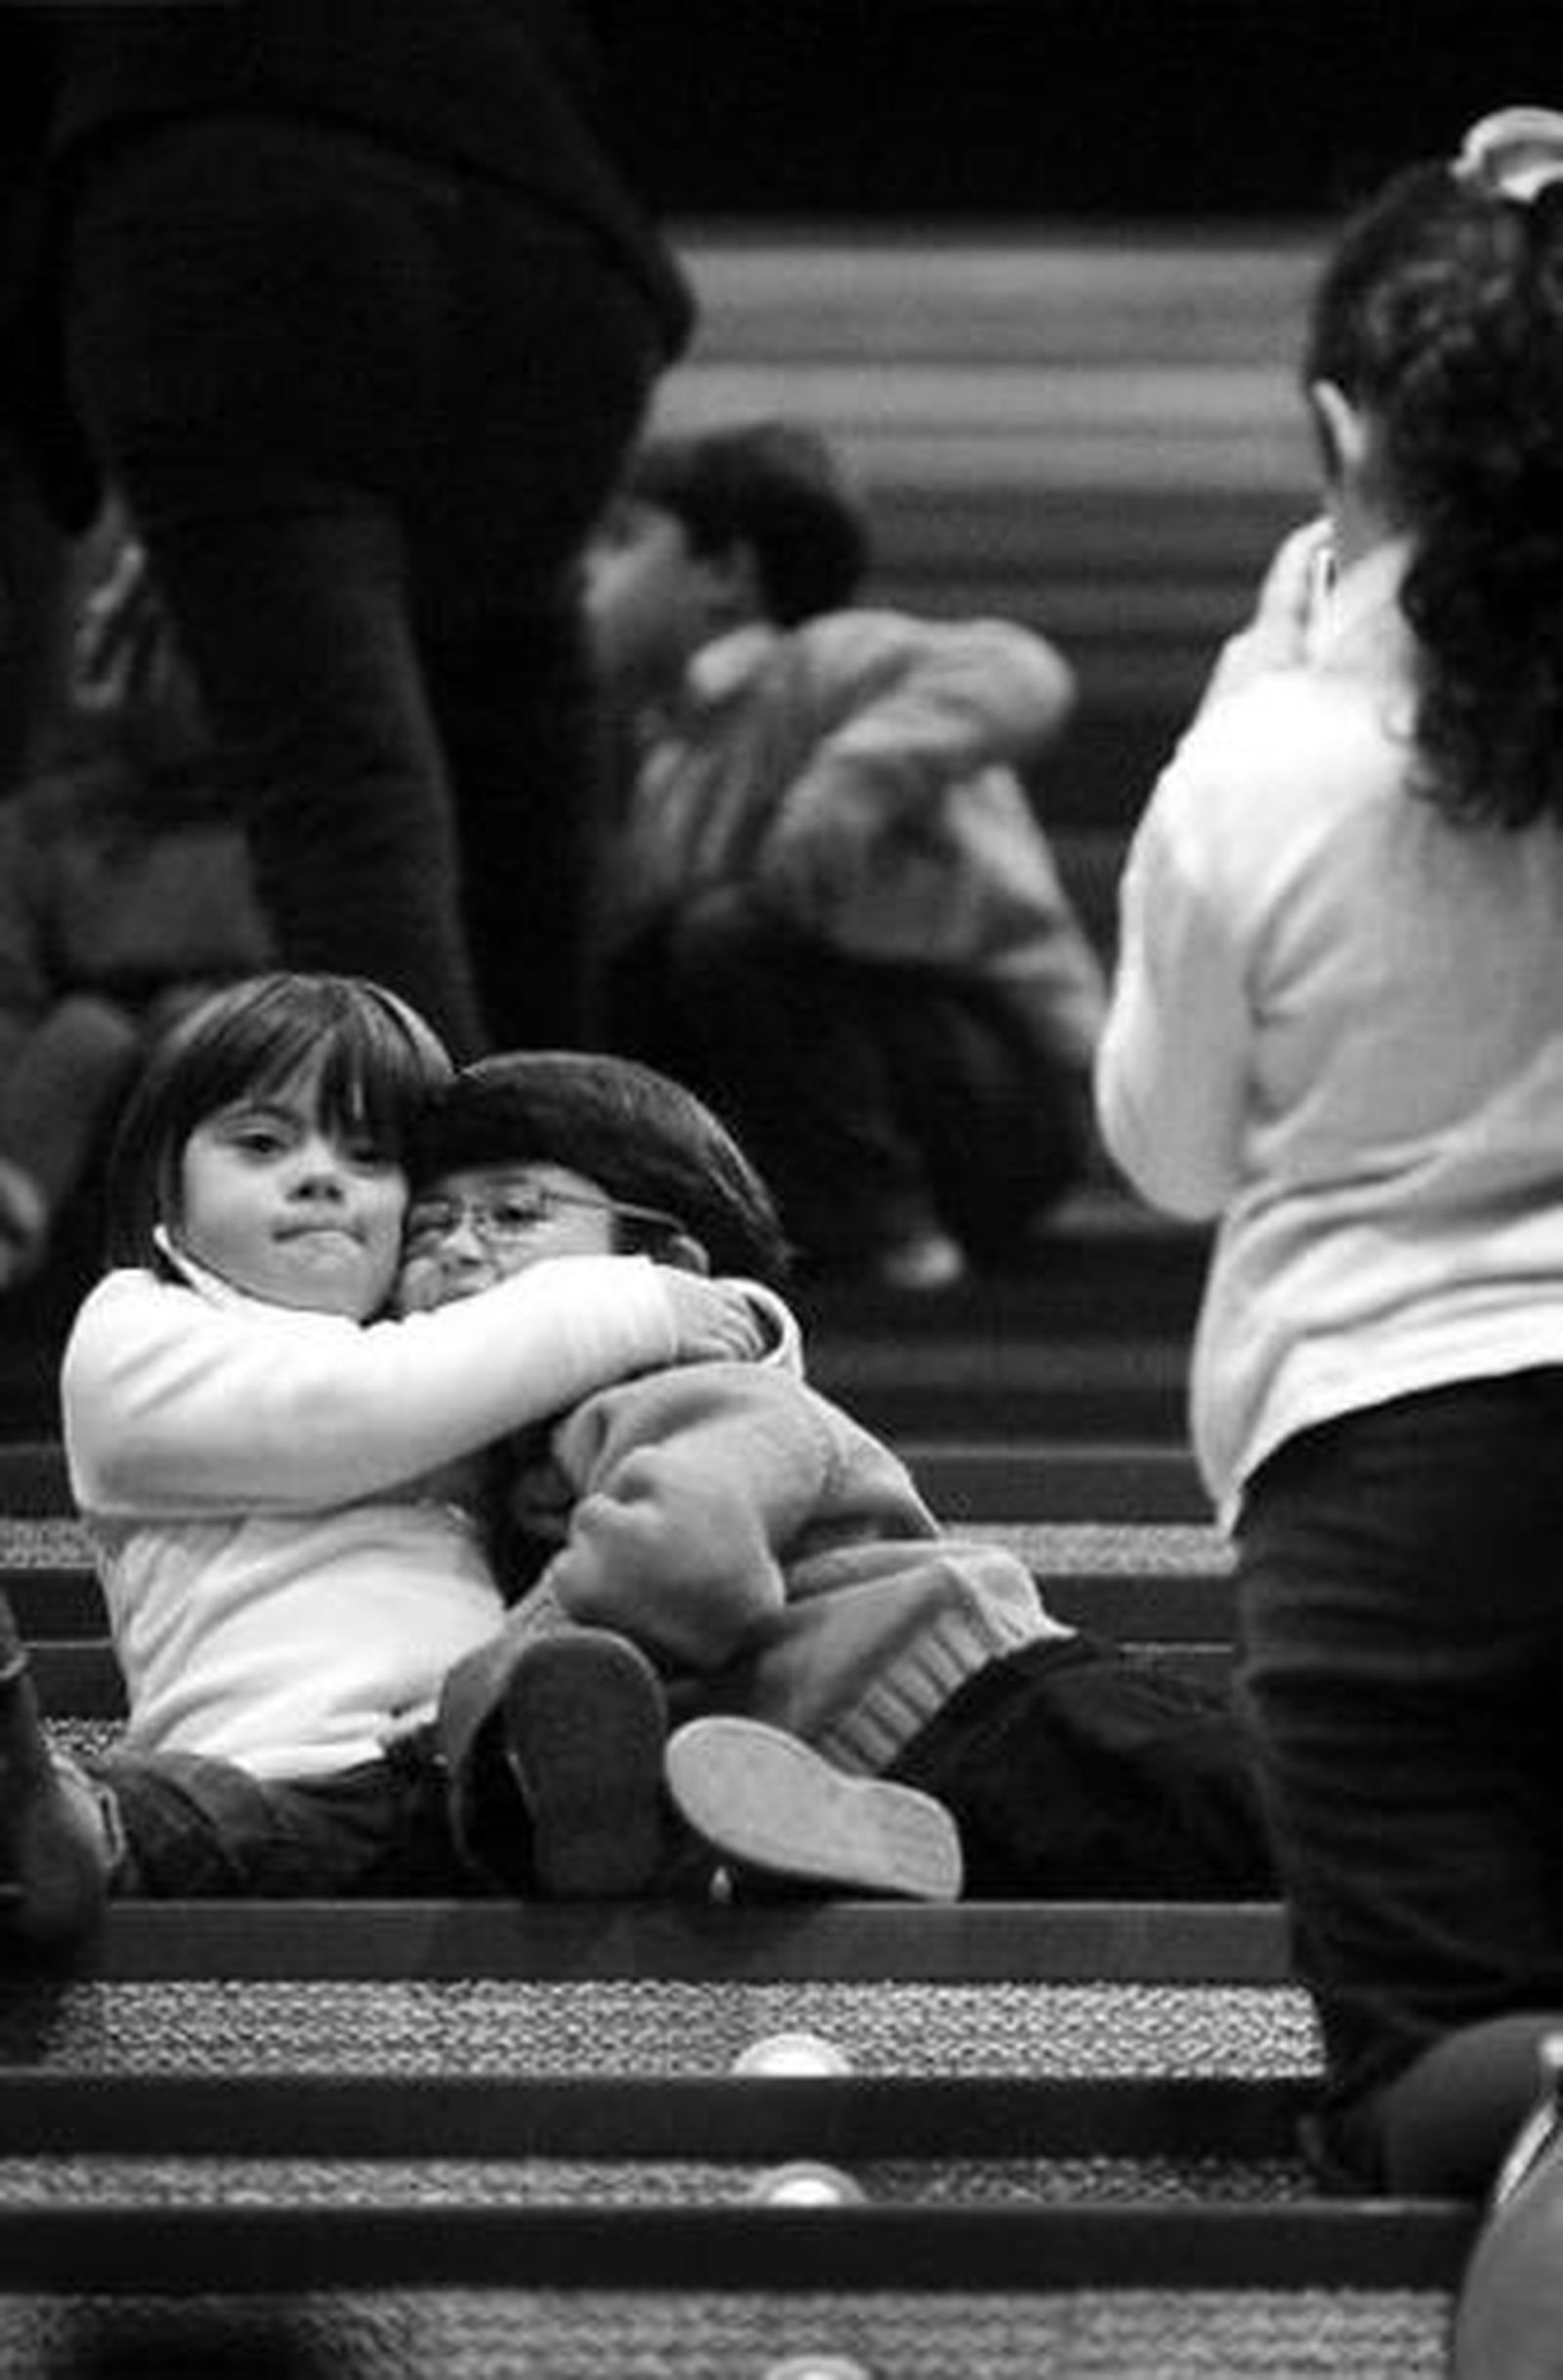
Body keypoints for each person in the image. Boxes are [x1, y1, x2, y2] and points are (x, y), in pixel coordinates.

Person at [1091, 100, 1563, 2354]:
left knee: (1424, 2070)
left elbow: (1167, 1153)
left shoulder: (1264, 767)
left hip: (1391, 1462)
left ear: (1335, 429)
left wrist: (1254, 683)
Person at [399, 1047, 1273, 1906]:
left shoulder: (710, 1391)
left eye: (513, 1212)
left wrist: (482, 1688)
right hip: (888, 1792)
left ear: (670, 1275)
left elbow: (691, 1568)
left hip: (1009, 1715)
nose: (458, 1249)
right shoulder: (508, 1489)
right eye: (425, 1226)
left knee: (1302, 1835)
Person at [0, 972, 763, 1951]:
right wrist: (634, 1304)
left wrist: (736, 1332)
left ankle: (611, 1820)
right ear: (167, 1185)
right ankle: (51, 1820)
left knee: (609, 1710)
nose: (321, 1177)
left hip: (474, 1763)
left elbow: (684, 1429)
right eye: (263, 1144)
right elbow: (353, 1408)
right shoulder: (137, 1331)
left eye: (369, 1155)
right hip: (282, 1769)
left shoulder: (451, 1353)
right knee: (188, 1814)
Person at [0, 3, 695, 1059]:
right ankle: (560, 1185)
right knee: (511, 756)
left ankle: (430, 1188)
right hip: (563, 259)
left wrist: (127, 453)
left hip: (229, 213)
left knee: (347, 794)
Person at [586, 418, 1107, 1288]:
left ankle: (890, 1234)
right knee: (638, 962)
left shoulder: (828, 661)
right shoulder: (670, 750)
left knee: (730, 936)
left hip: (1005, 1094)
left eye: (621, 543)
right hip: (874, 1086)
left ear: (726, 574)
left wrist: (855, 782)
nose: (585, 578)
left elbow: (1018, 672)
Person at [0, 538, 273, 1299]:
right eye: (149, 652)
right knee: (88, 1036)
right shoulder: (45, 826)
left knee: (198, 1030)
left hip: (252, 1039)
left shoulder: (306, 820)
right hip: (71, 1065)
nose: (173, 683)